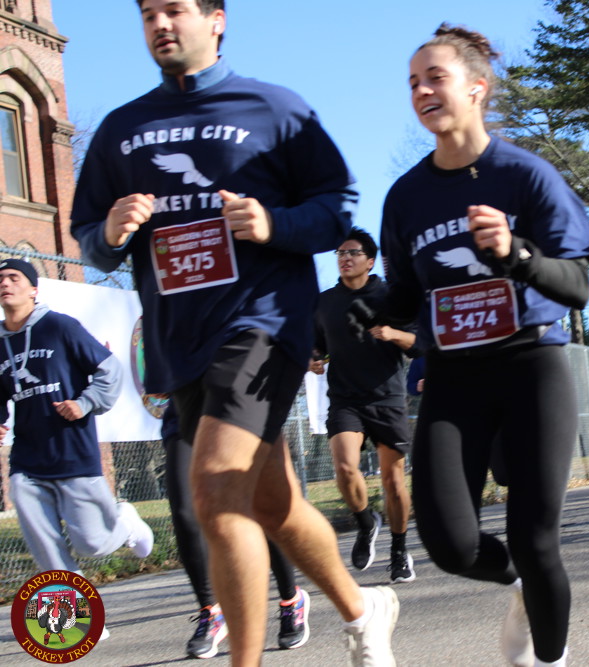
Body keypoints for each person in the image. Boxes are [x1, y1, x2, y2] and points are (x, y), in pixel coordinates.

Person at [69, 2, 398, 664]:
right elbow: (87, 236)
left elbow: (336, 208)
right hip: (180, 338)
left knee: (217, 490)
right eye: (149, 14)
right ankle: (366, 611)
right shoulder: (122, 129)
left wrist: (275, 224)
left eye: (175, 10)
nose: (161, 24)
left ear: (216, 19)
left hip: (262, 323)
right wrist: (108, 232)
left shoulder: (273, 108)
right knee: (273, 504)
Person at [369, 24, 589, 667]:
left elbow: (578, 286)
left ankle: (549, 656)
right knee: (449, 544)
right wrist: (361, 309)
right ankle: (523, 588)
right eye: (412, 83)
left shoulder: (524, 175)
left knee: (535, 538)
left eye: (435, 78)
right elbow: (404, 294)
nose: (422, 91)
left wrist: (516, 254)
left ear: (477, 88)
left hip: (531, 365)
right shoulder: (406, 196)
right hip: (454, 375)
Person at [0, 259, 153, 583]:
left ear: (33, 289)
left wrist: (85, 403)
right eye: (1, 279)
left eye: (14, 277)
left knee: (92, 544)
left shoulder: (59, 327)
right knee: (46, 548)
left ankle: (125, 523)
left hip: (73, 453)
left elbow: (109, 370)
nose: (5, 283)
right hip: (27, 460)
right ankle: (72, 610)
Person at [160, 403, 310, 658]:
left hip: (238, 407)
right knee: (185, 512)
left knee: (260, 506)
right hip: (185, 412)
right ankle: (211, 611)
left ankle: (291, 599)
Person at [311, 227, 417, 584]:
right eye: (340, 253)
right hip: (345, 399)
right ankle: (366, 521)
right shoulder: (325, 302)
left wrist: (393, 334)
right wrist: (314, 358)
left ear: (370, 261)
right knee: (345, 469)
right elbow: (317, 344)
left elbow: (419, 342)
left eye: (353, 252)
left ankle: (399, 551)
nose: (345, 258)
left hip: (387, 397)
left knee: (393, 481)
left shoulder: (391, 296)